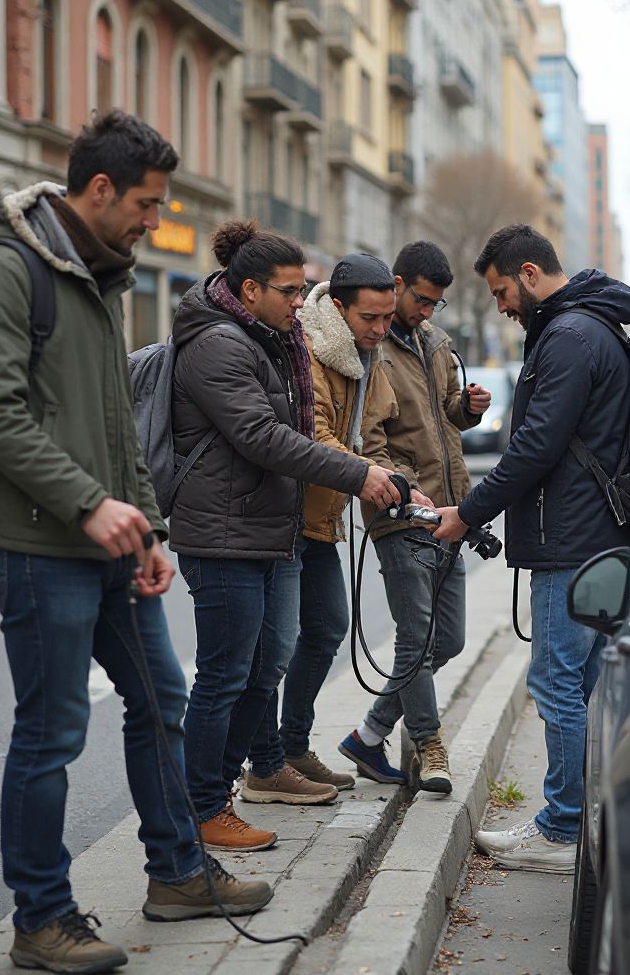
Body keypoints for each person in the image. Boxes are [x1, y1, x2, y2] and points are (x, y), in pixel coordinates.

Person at [0, 110, 272, 975]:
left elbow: (118, 428)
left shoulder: (99, 277)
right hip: (35, 542)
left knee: (163, 699)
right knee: (50, 734)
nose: (154, 222)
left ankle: (176, 875)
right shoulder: (5, 272)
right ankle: (41, 920)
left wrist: (149, 526)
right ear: (98, 189)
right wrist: (93, 506)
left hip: (109, 544)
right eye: (147, 203)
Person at [169, 222, 401, 849]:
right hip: (222, 533)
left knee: (264, 663)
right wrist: (357, 474)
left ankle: (242, 782)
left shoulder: (271, 337)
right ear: (250, 290)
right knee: (224, 674)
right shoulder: (219, 344)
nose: (304, 302)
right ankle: (205, 805)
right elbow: (263, 437)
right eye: (292, 290)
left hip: (267, 527)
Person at [433, 224, 630, 872]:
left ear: (528, 273)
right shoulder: (586, 327)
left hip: (570, 542)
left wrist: (466, 513)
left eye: (501, 291)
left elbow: (535, 447)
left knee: (555, 683)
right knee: (583, 684)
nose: (500, 305)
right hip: (597, 536)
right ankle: (585, 814)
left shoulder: (570, 336)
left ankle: (563, 828)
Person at [243, 253, 432, 797]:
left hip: (320, 516)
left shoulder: (368, 355)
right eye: (369, 318)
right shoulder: (310, 347)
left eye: (387, 318)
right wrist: (367, 476)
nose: (380, 329)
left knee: (325, 627)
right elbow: (313, 434)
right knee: (270, 648)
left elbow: (371, 437)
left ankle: (293, 748)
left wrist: (399, 479)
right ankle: (264, 765)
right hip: (282, 517)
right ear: (339, 308)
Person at [339, 241, 491, 795]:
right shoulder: (373, 350)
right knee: (416, 636)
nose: (428, 312)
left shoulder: (435, 343)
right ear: (398, 284)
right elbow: (369, 441)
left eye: (437, 304)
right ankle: (428, 745)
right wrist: (408, 491)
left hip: (450, 512)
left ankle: (368, 734)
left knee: (445, 639)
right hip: (401, 512)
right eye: (423, 300)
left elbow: (446, 419)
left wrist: (467, 409)